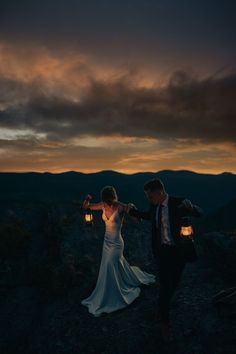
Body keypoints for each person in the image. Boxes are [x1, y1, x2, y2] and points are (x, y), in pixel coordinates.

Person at [128, 178, 203, 342]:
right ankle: (164, 322)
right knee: (165, 285)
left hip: (179, 252)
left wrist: (192, 207)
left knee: (174, 284)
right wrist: (131, 210)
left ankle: (162, 308)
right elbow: (148, 216)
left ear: (159, 192)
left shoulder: (179, 203)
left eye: (150, 196)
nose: (149, 199)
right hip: (162, 252)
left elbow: (199, 213)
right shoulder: (155, 206)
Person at [81, 185, 156, 317]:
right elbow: (86, 207)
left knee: (111, 263)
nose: (107, 201)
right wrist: (87, 199)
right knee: (107, 266)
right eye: (105, 199)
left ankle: (115, 294)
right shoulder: (103, 205)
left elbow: (137, 220)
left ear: (113, 197)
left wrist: (132, 209)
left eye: (109, 198)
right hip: (106, 242)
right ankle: (107, 290)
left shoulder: (121, 206)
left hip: (116, 243)